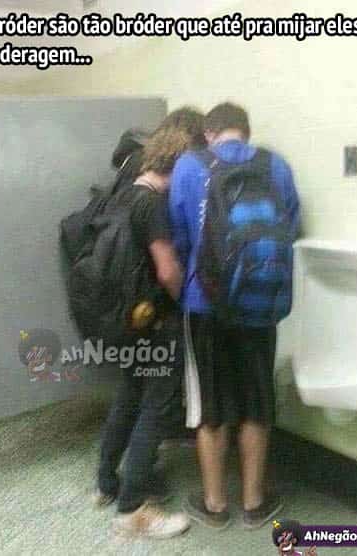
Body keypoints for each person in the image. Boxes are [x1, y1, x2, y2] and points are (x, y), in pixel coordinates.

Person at [168, 101, 300, 530]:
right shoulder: (275, 165)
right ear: (246, 131)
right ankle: (254, 503)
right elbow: (290, 228)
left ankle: (214, 505)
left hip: (205, 304)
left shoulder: (190, 166)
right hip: (260, 304)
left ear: (209, 133)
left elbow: (180, 237)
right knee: (256, 401)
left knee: (210, 405)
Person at [94, 107, 205, 539]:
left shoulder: (128, 190)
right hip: (157, 322)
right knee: (156, 409)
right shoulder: (153, 204)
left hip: (128, 321)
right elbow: (167, 270)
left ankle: (107, 483)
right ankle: (133, 508)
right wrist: (185, 302)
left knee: (128, 398)